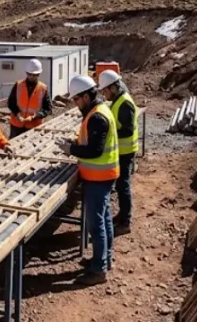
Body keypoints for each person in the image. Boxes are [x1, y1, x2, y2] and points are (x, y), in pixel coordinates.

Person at [57, 75, 119, 286]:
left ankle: (99, 269)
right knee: (105, 218)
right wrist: (75, 143)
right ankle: (104, 258)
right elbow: (91, 142)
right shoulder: (97, 111)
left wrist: (71, 149)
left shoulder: (97, 117)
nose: (75, 104)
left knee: (96, 224)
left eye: (76, 99)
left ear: (85, 96)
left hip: (98, 177)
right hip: (102, 175)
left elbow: (94, 150)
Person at [98, 70, 137, 235]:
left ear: (113, 88)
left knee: (123, 186)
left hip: (125, 152)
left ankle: (125, 221)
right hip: (121, 151)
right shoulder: (119, 100)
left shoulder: (125, 103)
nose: (105, 94)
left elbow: (127, 130)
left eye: (105, 90)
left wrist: (109, 134)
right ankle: (122, 215)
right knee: (121, 187)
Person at [8, 58, 52, 138]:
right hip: (16, 125)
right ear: (26, 73)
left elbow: (48, 109)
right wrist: (17, 114)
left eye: (34, 75)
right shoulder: (18, 85)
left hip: (34, 127)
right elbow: (11, 102)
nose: (31, 77)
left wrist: (34, 117)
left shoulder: (43, 88)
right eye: (29, 74)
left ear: (38, 74)